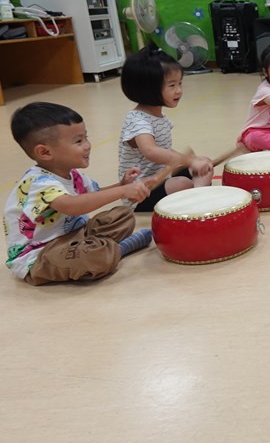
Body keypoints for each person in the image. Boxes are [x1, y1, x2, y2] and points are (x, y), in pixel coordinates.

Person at [5, 102, 154, 285]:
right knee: (91, 257)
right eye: (78, 141)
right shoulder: (40, 183)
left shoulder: (71, 173)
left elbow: (93, 195)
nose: (88, 146)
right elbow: (73, 206)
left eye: (86, 138)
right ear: (45, 152)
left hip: (75, 235)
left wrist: (121, 185)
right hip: (40, 255)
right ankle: (117, 250)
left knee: (122, 216)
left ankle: (105, 250)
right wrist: (123, 191)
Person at [118, 45, 214, 212]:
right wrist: (189, 160)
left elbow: (165, 151)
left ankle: (197, 191)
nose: (179, 91)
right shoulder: (137, 119)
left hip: (162, 178)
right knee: (183, 182)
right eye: (171, 85)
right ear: (148, 88)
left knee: (204, 163)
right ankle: (200, 196)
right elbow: (151, 151)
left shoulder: (159, 116)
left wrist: (192, 162)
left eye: (180, 83)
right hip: (141, 193)